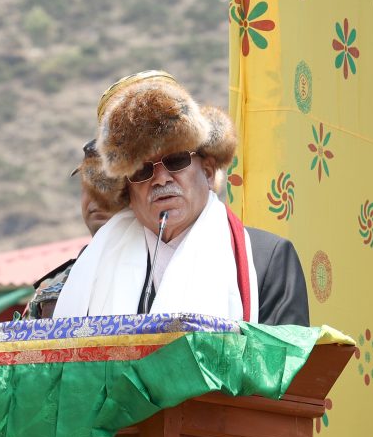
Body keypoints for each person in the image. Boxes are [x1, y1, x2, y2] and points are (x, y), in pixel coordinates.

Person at [53, 71, 309, 326]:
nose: (161, 179)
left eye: (176, 160)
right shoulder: (93, 267)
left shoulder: (267, 258)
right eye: (142, 170)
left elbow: (285, 353)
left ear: (208, 172)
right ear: (126, 192)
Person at [24, 141, 125, 319]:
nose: (96, 198)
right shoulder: (51, 287)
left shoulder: (157, 270)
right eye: (88, 187)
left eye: (106, 187)